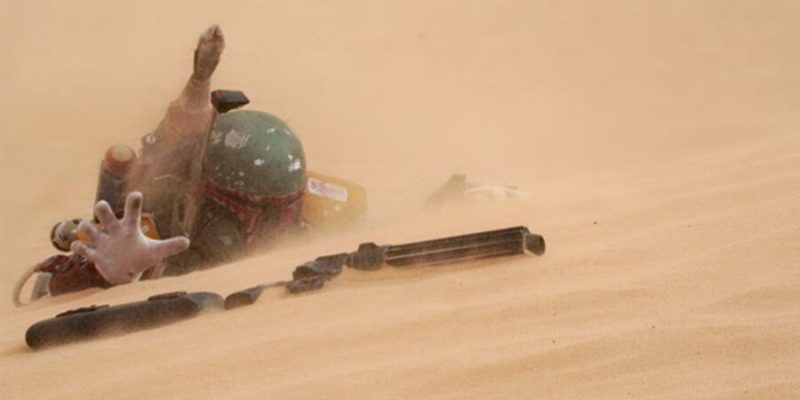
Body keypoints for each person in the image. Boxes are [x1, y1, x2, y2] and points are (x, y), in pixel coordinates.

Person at [26, 25, 312, 297]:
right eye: (242, 211)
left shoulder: (296, 190)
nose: (262, 225)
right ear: (203, 192)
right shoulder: (152, 231)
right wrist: (113, 274)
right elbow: (46, 289)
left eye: (279, 209)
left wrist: (200, 78)